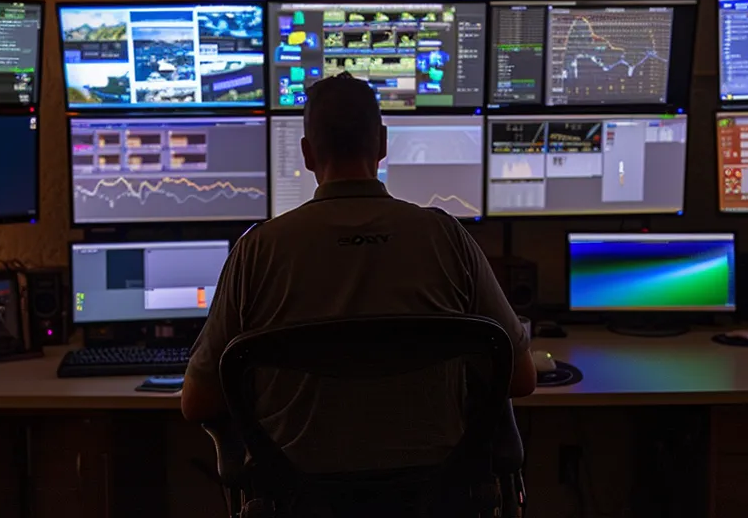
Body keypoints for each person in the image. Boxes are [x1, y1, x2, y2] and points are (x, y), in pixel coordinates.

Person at [181, 72, 535, 474]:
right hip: (432, 499)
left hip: (299, 501)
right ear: (383, 145)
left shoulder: (257, 250)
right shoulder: (446, 237)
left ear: (307, 154)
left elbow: (197, 402)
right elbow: (521, 378)